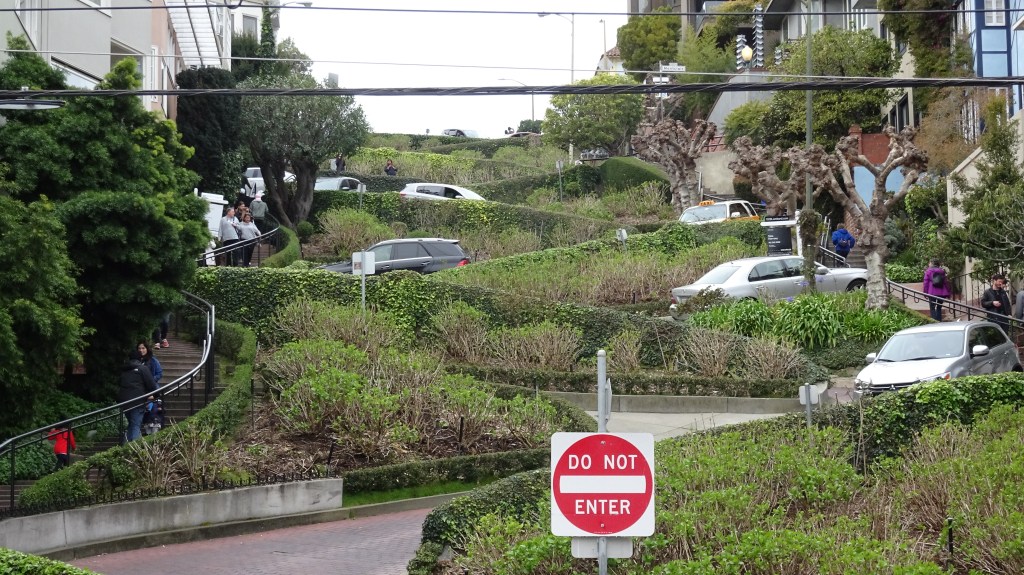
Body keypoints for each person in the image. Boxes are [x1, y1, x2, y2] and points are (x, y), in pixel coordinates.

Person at [118, 350, 157, 443]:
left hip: (124, 401)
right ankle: (133, 449)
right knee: (135, 424)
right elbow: (151, 384)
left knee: (132, 423)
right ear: (140, 358)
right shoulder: (143, 369)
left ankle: (125, 446)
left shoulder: (124, 369)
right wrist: (156, 396)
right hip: (138, 400)